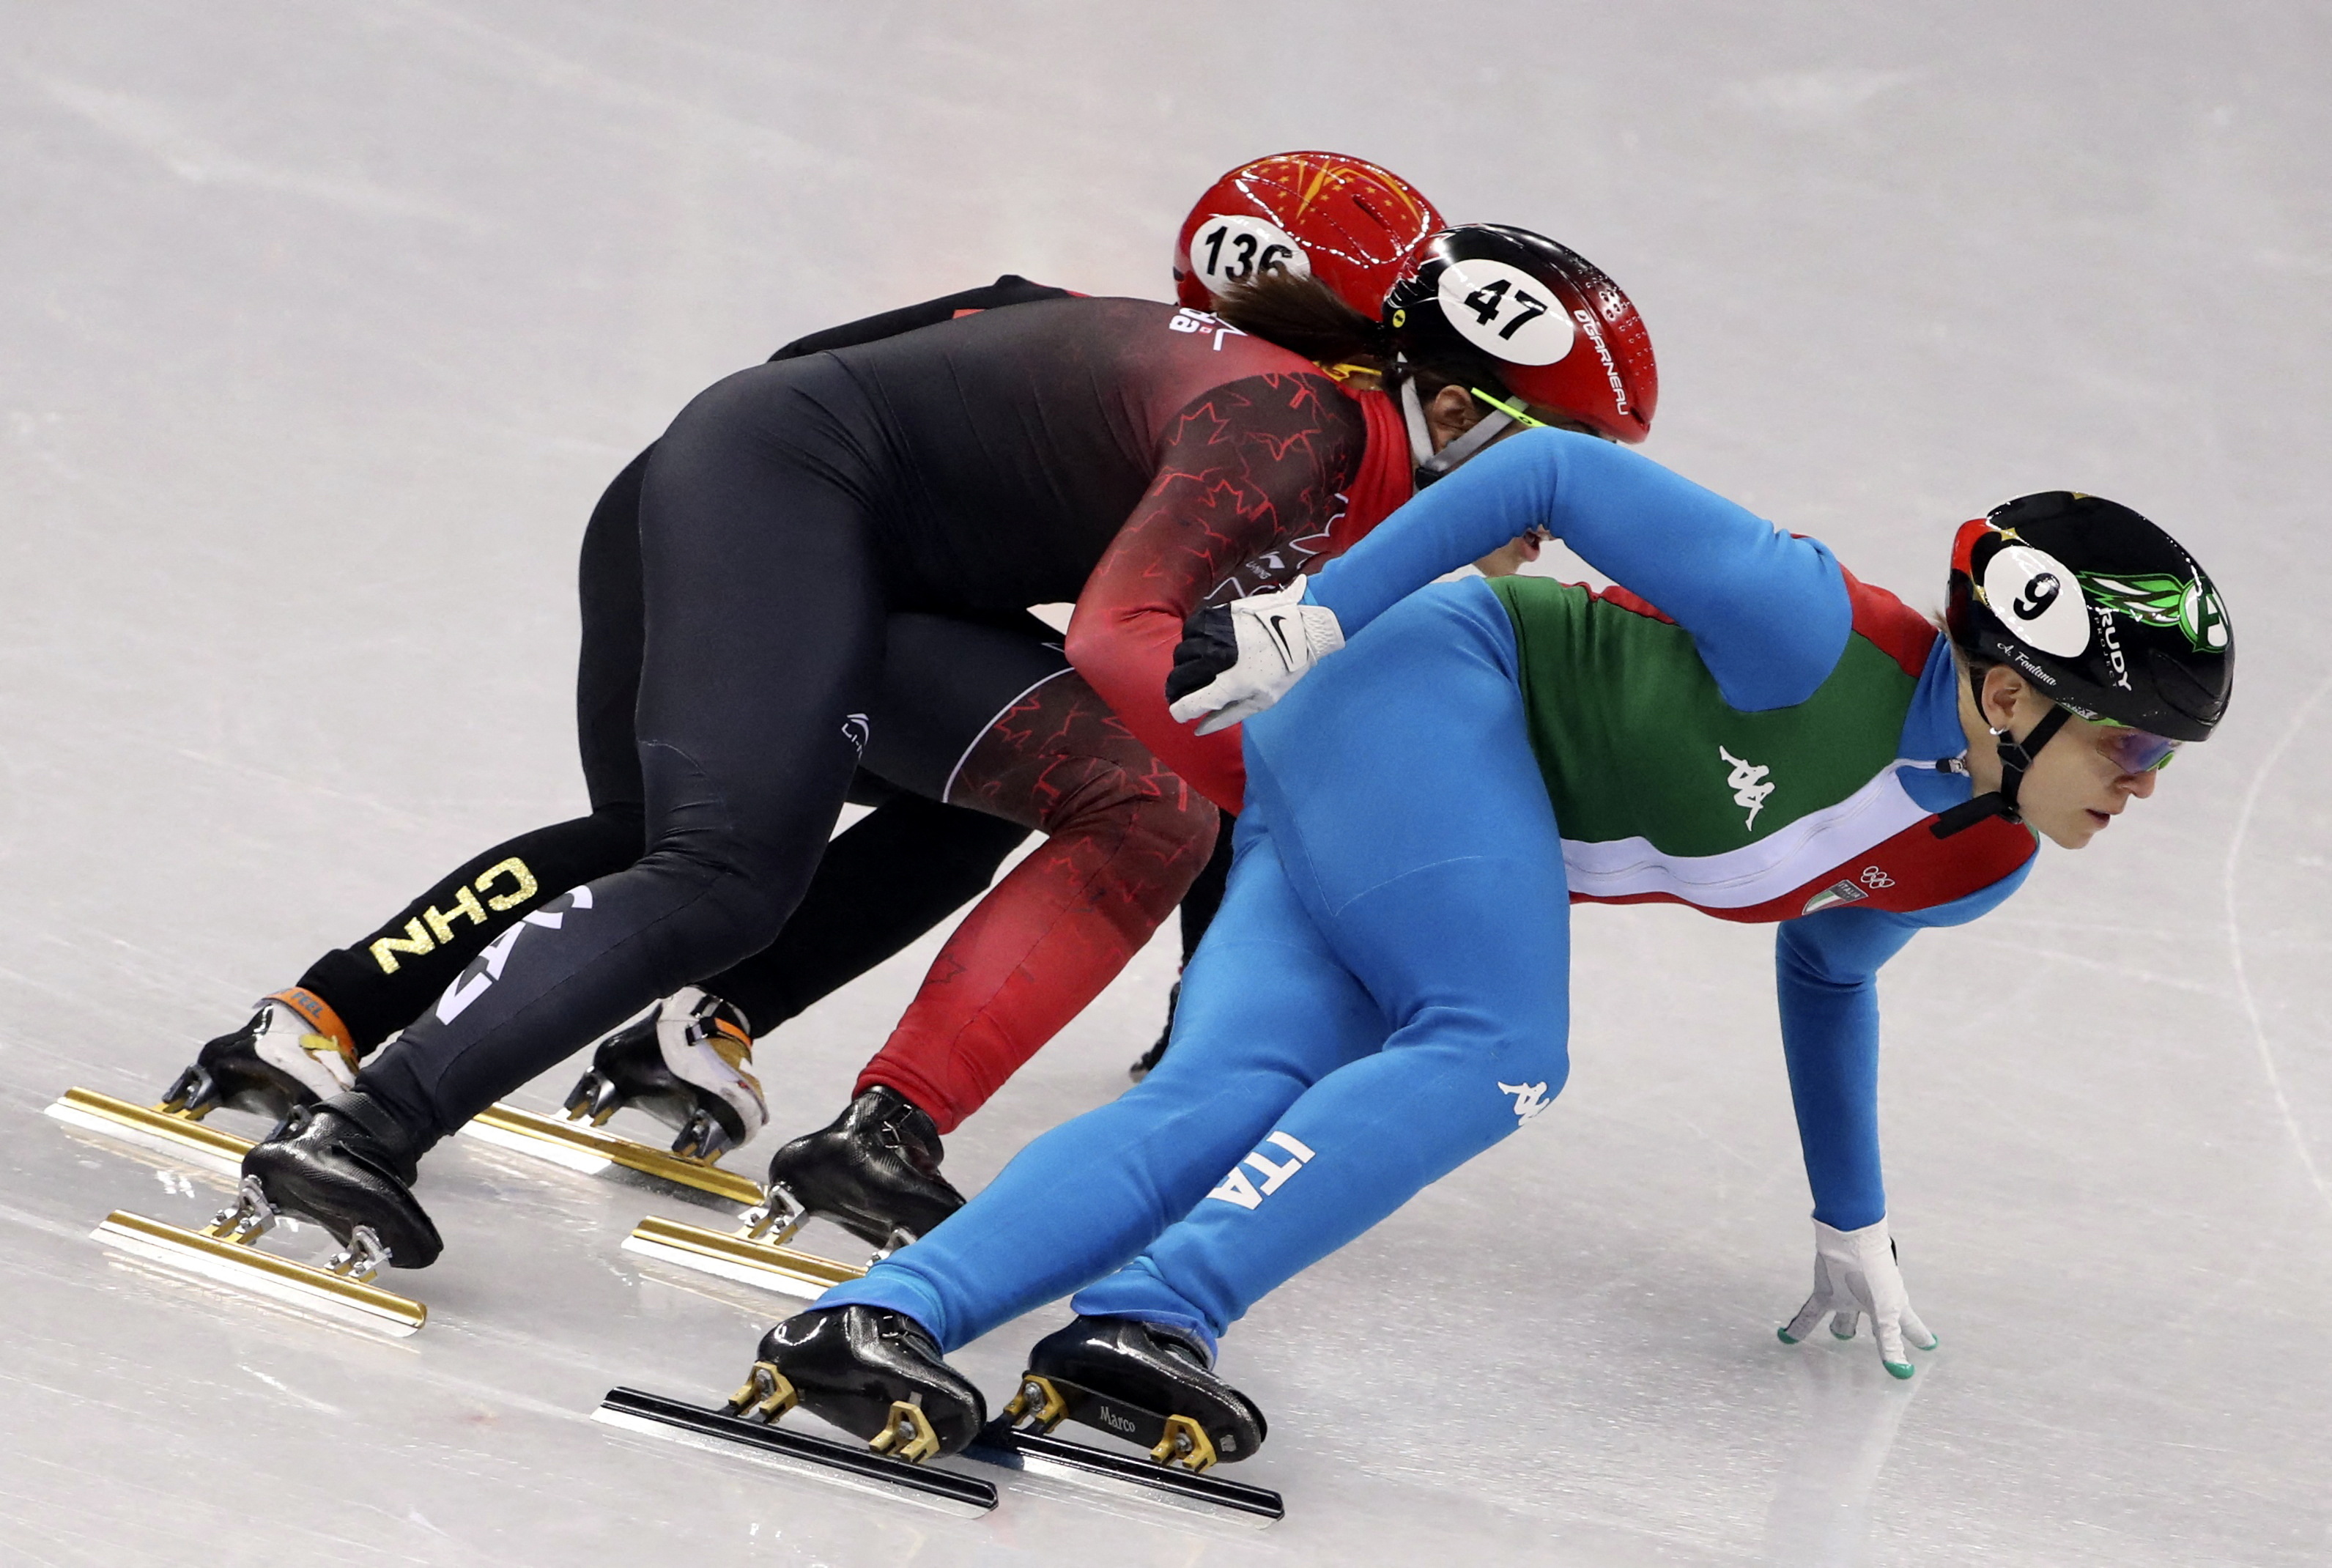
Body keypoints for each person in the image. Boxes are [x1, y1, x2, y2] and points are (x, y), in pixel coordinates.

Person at [725, 247, 2231, 1467]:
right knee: (1496, 1044)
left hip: (1408, 793)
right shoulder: (1809, 631)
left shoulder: (1970, 859)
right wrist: (1319, 611)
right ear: (2011, 692)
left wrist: (1848, 1216)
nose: (2144, 787)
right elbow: (1551, 480)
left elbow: (1827, 971)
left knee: (1227, 1086)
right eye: (2133, 744)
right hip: (1426, 682)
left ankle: (886, 1314)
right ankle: (1161, 1306)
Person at [218, 216, 1657, 1279]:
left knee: (1142, 808)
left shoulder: (1368, 475)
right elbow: (1115, 634)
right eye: (1566, 467)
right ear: (1461, 413)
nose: (1562, 513)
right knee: (726, 866)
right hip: (784, 482)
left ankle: (883, 1134)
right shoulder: (1299, 428)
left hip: (888, 565)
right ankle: (365, 1124)